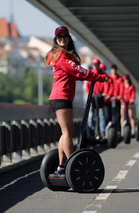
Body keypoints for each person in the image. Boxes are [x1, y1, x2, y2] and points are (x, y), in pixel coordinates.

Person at [45, 26, 108, 175]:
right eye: (59, 37)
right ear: (55, 39)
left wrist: (88, 77)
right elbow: (78, 70)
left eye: (65, 36)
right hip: (61, 96)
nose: (62, 39)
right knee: (67, 132)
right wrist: (98, 77)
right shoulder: (61, 56)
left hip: (59, 97)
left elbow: (75, 74)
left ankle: (61, 166)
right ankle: (72, 166)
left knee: (65, 132)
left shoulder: (60, 56)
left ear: (69, 39)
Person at [85, 59, 108, 139]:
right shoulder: (90, 73)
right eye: (94, 65)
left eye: (96, 65)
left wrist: (105, 93)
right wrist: (89, 93)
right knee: (91, 115)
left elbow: (106, 84)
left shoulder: (103, 74)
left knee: (101, 115)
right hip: (92, 97)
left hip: (100, 97)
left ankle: (102, 131)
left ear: (99, 65)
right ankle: (91, 131)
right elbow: (87, 86)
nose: (95, 66)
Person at [108, 64, 123, 133]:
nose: (113, 70)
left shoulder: (119, 78)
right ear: (111, 70)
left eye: (114, 69)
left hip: (117, 100)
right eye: (112, 69)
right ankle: (110, 129)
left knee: (117, 115)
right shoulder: (108, 78)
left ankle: (118, 130)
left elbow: (122, 88)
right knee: (109, 115)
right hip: (109, 100)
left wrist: (120, 95)